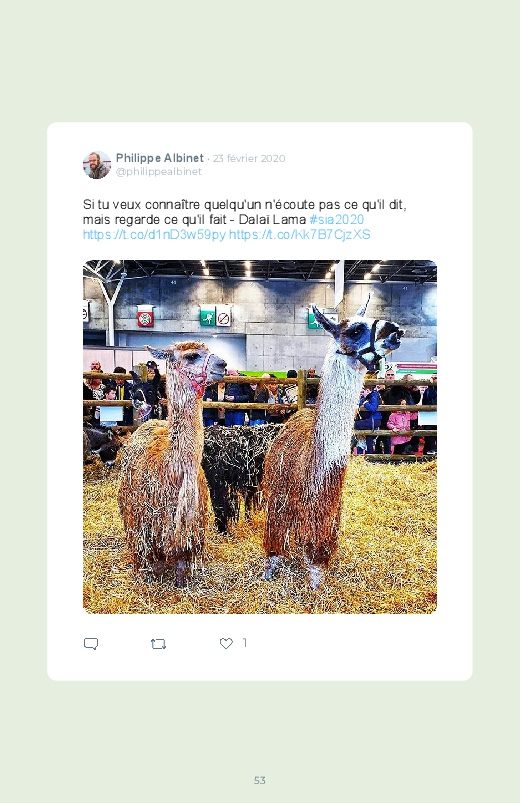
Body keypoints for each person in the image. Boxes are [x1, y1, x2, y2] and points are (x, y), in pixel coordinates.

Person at [354, 386, 382, 454]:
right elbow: (361, 403)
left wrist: (365, 404)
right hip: (371, 420)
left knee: (353, 425)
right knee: (369, 438)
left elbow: (373, 408)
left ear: (367, 391)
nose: (362, 393)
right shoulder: (369, 397)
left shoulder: (373, 396)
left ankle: (361, 454)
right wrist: (362, 400)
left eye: (363, 392)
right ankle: (369, 455)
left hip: (373, 420)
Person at [422, 375, 437, 454]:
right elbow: (425, 401)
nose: (434, 379)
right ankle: (431, 449)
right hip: (429, 415)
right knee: (428, 432)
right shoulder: (428, 390)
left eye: (436, 378)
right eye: (433, 378)